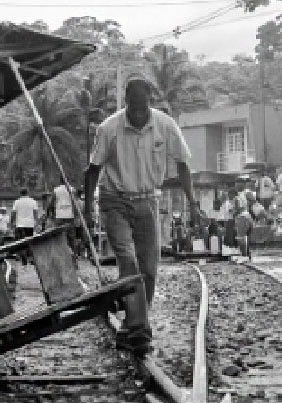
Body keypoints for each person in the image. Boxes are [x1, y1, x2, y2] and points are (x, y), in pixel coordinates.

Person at [84, 74, 200, 357]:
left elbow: (183, 164)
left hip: (148, 201)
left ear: (150, 101)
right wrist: (87, 210)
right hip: (115, 201)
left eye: (142, 107)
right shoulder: (109, 129)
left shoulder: (165, 125)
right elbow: (93, 170)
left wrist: (193, 204)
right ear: (126, 102)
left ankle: (132, 324)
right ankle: (140, 330)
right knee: (128, 261)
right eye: (133, 107)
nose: (137, 113)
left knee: (148, 269)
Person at [48, 183, 78, 254]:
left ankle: (60, 253)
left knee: (58, 236)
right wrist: (76, 216)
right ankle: (73, 253)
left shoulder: (56, 190)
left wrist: (49, 213)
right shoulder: (72, 189)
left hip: (59, 216)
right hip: (70, 215)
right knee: (71, 236)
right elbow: (75, 203)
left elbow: (50, 203)